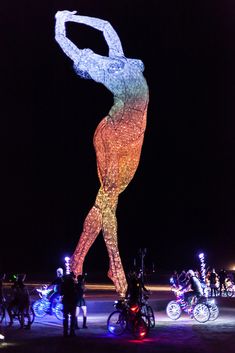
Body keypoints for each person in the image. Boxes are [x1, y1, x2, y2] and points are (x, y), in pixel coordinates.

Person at [55, 10, 149, 298]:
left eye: (85, 51)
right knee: (109, 197)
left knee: (105, 201)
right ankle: (115, 264)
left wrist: (70, 17)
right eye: (82, 57)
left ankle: (79, 259)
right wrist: (59, 24)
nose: (85, 52)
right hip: (113, 133)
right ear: (86, 70)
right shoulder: (98, 69)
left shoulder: (117, 57)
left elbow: (107, 25)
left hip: (134, 135)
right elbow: (62, 41)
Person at [60, 272, 77, 337]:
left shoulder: (64, 284)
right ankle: (72, 332)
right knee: (72, 317)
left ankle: (65, 332)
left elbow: (61, 293)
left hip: (66, 301)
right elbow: (76, 292)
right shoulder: (74, 284)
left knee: (65, 317)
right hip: (73, 301)